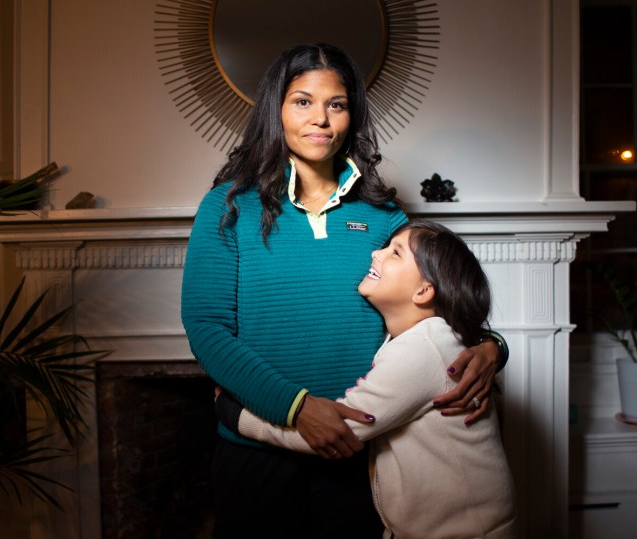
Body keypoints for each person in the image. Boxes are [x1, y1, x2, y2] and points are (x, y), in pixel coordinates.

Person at [181, 43, 508, 538]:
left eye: (336, 104)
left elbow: (435, 307)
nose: (321, 119)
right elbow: (206, 327)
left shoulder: (384, 217)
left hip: (359, 457)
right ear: (276, 108)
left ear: (352, 114)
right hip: (256, 458)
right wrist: (296, 407)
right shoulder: (227, 207)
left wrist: (491, 349)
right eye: (303, 101)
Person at [216, 220, 518, 538]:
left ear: (424, 290)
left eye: (395, 253)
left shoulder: (423, 346)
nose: (376, 252)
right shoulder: (419, 338)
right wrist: (493, 344)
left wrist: (234, 414)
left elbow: (336, 432)